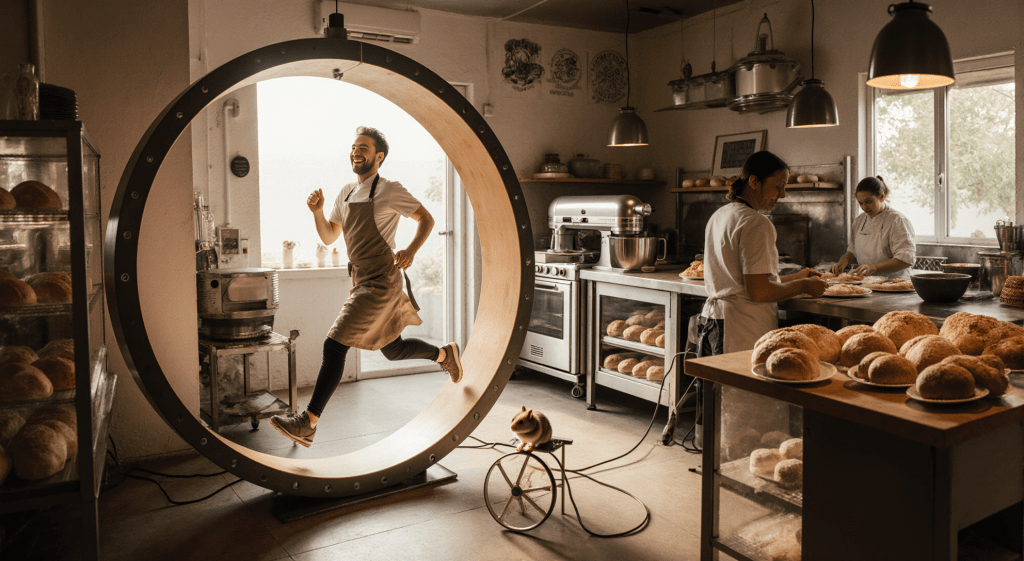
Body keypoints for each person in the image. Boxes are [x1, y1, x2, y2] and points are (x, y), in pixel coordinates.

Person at [270, 126, 463, 447]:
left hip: (382, 282)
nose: (355, 152)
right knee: (393, 350)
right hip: (360, 279)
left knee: (334, 345)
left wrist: (411, 250)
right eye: (353, 147)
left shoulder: (389, 189)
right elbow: (329, 236)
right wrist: (317, 212)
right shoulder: (346, 192)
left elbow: (426, 219)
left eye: (363, 148)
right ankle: (445, 354)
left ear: (379, 156)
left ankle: (308, 422)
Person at [699, 151, 830, 354]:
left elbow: (748, 282)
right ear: (753, 181)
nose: (783, 195)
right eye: (778, 186)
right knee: (742, 376)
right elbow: (759, 292)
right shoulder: (756, 222)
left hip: (715, 320)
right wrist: (803, 286)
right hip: (741, 327)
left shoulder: (720, 214)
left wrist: (798, 276)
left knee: (717, 376)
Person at [831, 176, 916, 279]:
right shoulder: (859, 221)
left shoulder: (897, 221)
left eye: (868, 201)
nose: (864, 207)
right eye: (860, 203)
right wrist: (844, 260)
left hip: (894, 283)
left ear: (881, 197)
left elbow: (906, 260)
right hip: (866, 282)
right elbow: (853, 250)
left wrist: (874, 267)